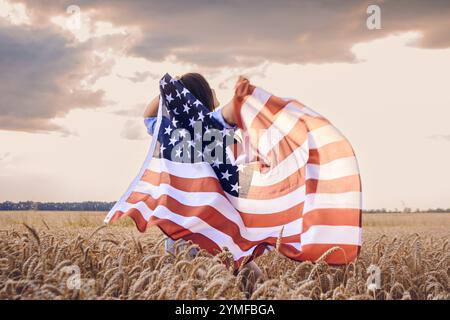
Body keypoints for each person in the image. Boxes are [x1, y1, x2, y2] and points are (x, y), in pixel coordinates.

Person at [143, 72, 263, 284]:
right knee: (252, 285)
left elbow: (147, 116)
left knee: (185, 288)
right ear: (207, 98)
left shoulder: (170, 133)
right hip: (218, 235)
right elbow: (244, 186)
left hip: (178, 235)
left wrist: (169, 92)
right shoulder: (223, 135)